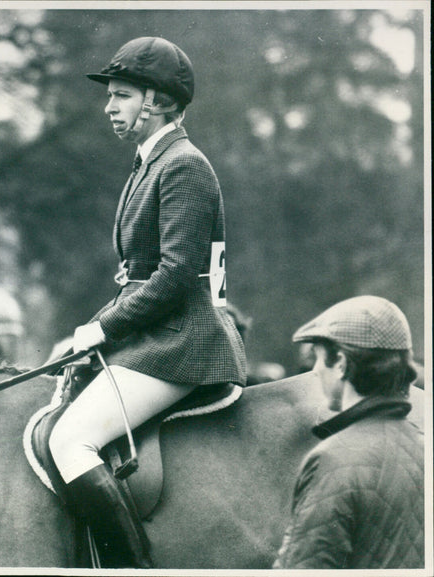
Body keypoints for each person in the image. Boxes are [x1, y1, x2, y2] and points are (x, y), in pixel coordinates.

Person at [48, 36, 247, 568]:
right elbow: (139, 278)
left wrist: (105, 328)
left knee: (70, 441)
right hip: (159, 333)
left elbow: (178, 277)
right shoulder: (149, 163)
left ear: (156, 100)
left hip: (183, 341)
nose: (108, 107)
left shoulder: (184, 165)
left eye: (120, 95)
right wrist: (86, 331)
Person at [274, 295, 424, 569]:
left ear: (341, 363)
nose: (316, 371)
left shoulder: (332, 460)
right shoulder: (426, 445)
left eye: (318, 358)